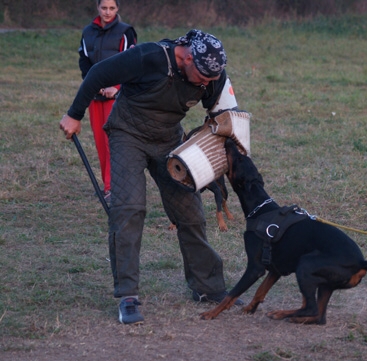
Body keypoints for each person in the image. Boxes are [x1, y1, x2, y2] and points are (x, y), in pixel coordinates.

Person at [60, 29, 246, 325]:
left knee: (191, 213)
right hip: (127, 134)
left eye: (213, 79)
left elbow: (226, 116)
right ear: (186, 58)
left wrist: (228, 149)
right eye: (203, 77)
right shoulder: (148, 57)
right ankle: (127, 295)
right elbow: (97, 73)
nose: (208, 84)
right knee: (129, 209)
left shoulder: (213, 76)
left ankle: (208, 287)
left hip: (169, 140)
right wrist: (74, 115)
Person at [79, 0, 137, 203]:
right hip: (95, 96)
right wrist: (94, 86)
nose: (107, 12)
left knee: (114, 141)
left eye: (112, 8)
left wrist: (117, 87)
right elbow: (84, 62)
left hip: (117, 97)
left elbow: (132, 62)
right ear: (97, 7)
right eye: (104, 8)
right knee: (99, 142)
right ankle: (107, 186)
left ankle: (115, 187)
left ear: (118, 9)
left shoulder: (126, 32)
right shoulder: (87, 32)